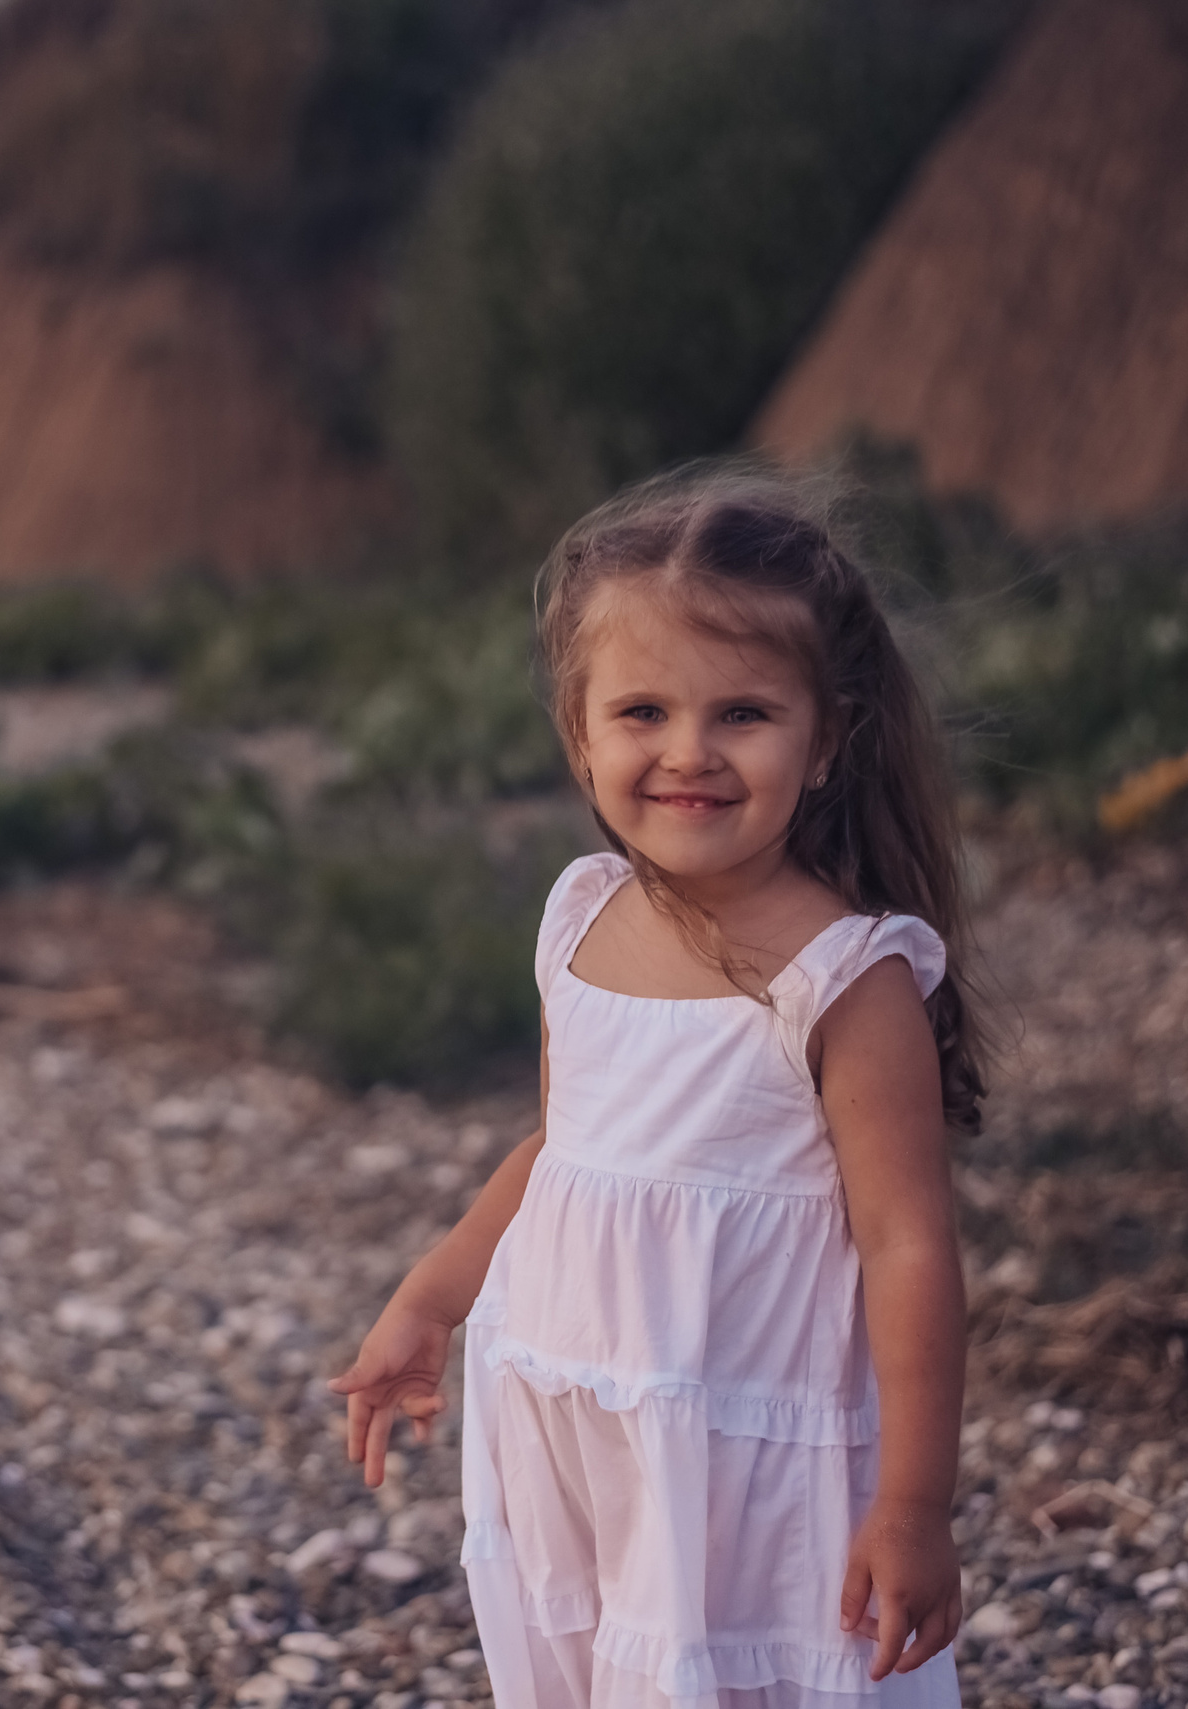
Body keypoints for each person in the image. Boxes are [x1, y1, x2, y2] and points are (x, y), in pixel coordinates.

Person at [329, 465, 986, 1708]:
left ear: (827, 733)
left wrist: (911, 1506)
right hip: (580, 1419)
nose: (688, 752)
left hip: (745, 1445)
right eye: (642, 711)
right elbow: (557, 1147)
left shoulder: (844, 976)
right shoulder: (580, 914)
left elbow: (907, 1244)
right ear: (579, 731)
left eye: (743, 712)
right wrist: (429, 1300)